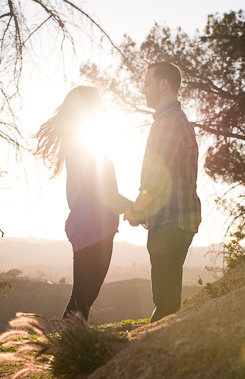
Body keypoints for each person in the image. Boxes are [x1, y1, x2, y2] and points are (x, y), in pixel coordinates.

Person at [35, 86, 132, 320]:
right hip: (91, 227)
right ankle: (66, 348)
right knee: (82, 297)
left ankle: (71, 345)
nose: (103, 108)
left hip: (98, 226)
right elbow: (98, 188)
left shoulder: (83, 143)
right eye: (99, 104)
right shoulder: (81, 145)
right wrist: (131, 207)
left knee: (85, 296)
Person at [124, 62, 201, 323]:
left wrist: (136, 210)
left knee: (165, 303)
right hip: (179, 220)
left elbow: (155, 180)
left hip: (169, 220)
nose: (143, 89)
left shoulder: (167, 121)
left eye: (147, 83)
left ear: (163, 84)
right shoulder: (179, 121)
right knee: (169, 299)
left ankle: (162, 356)